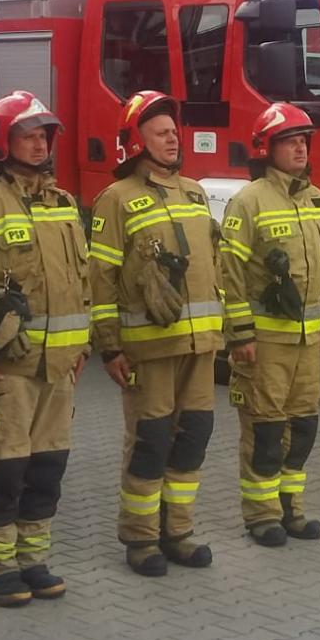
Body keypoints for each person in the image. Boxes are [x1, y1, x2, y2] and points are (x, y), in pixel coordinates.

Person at [0, 91, 89, 607]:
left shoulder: (64, 205)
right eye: (27, 136)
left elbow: (83, 281)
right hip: (6, 370)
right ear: (0, 143)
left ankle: (33, 559)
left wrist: (81, 346)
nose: (38, 145)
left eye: (43, 136)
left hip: (59, 368)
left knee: (46, 468)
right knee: (4, 471)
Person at [88, 91, 224, 577]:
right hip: (149, 350)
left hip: (201, 346)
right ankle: (142, 538)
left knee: (193, 439)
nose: (172, 139)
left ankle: (178, 532)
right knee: (150, 441)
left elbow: (215, 267)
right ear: (135, 141)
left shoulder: (195, 192)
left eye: (173, 131)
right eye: (160, 133)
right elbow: (100, 279)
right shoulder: (116, 199)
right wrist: (109, 347)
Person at [219, 103, 320, 546]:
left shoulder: (317, 199)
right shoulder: (248, 201)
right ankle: (262, 515)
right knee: (265, 428)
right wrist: (240, 335)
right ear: (266, 149)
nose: (300, 149)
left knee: (303, 427)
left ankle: (292, 510)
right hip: (266, 341)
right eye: (290, 142)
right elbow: (229, 272)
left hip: (308, 341)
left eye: (304, 141)